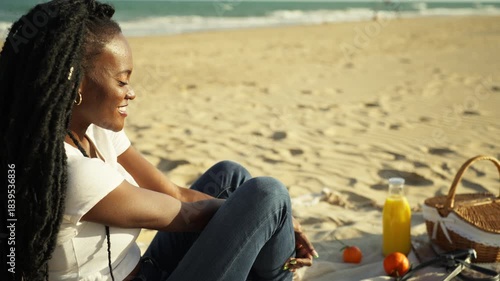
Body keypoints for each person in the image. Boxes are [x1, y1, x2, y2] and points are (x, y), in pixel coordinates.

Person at [0, 1, 318, 280]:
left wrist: (265, 219)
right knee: (267, 194)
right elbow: (186, 216)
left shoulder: (94, 130)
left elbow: (173, 192)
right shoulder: (71, 172)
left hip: (149, 269)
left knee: (230, 176)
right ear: (76, 83)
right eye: (122, 81)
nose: (132, 92)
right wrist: (270, 217)